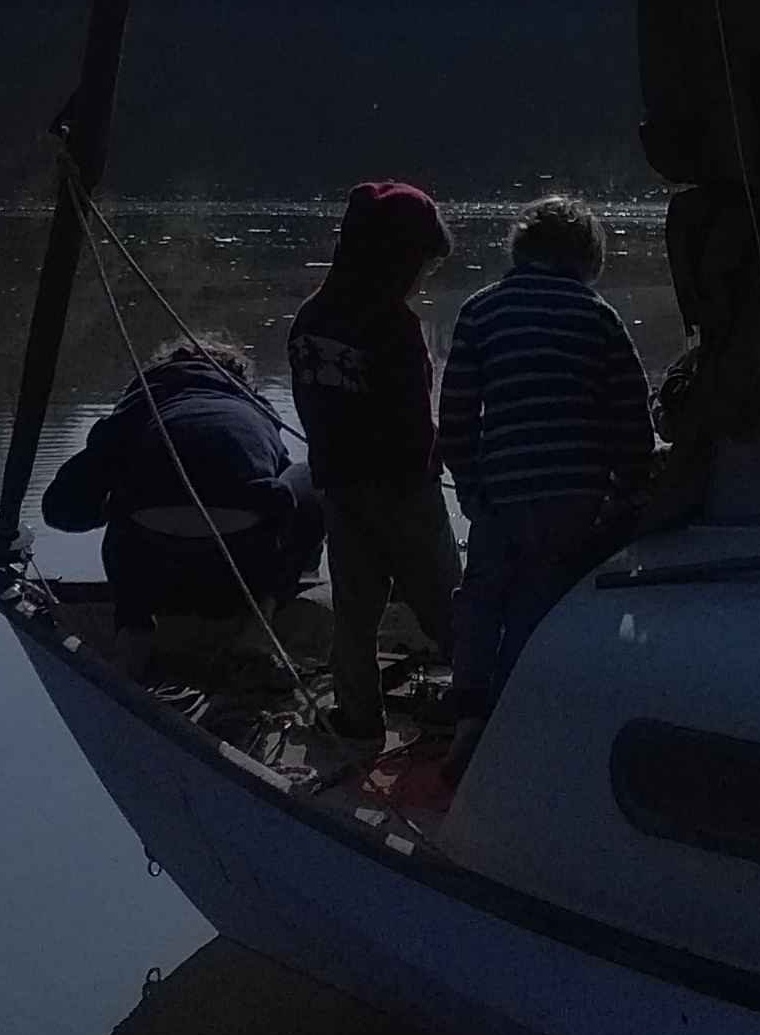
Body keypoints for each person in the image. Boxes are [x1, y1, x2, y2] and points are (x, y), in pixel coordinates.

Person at [438, 197, 656, 721]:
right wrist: (628, 487)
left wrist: (468, 483)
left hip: (499, 489)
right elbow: (630, 413)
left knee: (483, 593)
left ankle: (468, 699)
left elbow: (457, 412)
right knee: (540, 595)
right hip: (575, 493)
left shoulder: (480, 311)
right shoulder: (598, 316)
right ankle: (515, 706)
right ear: (589, 259)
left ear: (519, 250)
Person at [286, 180, 459, 745]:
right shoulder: (394, 327)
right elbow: (414, 423)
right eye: (421, 267)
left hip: (340, 489)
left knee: (354, 614)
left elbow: (311, 408)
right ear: (395, 259)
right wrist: (439, 460)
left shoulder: (310, 319)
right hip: (405, 493)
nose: (421, 281)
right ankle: (481, 698)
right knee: (444, 601)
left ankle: (359, 718)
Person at [38, 337, 322, 639]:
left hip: (150, 538)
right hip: (244, 538)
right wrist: (299, 560)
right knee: (307, 478)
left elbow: (59, 510)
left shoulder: (141, 403)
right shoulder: (255, 408)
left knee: (125, 500)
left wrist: (106, 506)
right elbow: (287, 498)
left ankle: (133, 629)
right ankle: (259, 624)